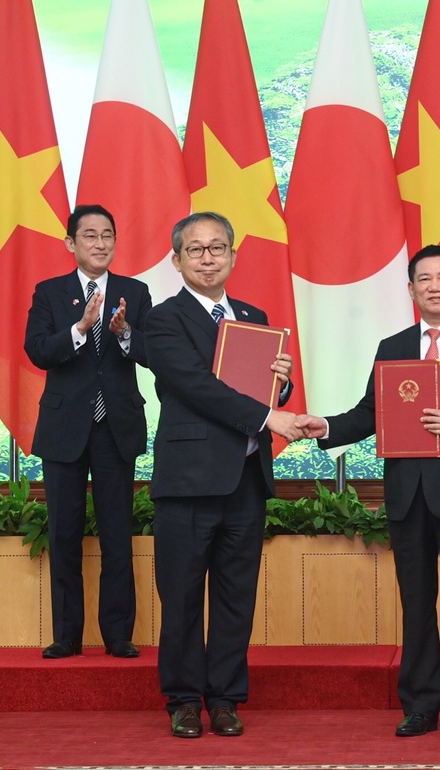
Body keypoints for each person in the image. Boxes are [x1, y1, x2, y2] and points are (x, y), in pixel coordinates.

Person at [296, 245, 440, 739]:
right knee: (416, 603)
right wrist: (327, 426)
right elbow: (368, 413)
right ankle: (420, 704)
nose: (435, 286)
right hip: (407, 496)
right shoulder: (393, 346)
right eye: (424, 279)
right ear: (410, 290)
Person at [144, 211, 301, 740]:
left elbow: (260, 388)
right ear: (177, 260)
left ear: (233, 255)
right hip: (188, 481)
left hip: (246, 479)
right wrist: (268, 415)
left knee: (237, 596)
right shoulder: (163, 320)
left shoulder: (254, 316)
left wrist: (280, 385)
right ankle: (185, 700)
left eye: (217, 248)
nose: (208, 257)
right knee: (183, 594)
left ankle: (227, 697)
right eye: (196, 249)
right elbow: (194, 386)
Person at [24, 203, 152, 661]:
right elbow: (37, 350)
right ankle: (67, 635)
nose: (100, 244)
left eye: (107, 236)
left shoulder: (134, 292)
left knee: (118, 531)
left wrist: (122, 333)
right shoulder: (50, 292)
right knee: (63, 532)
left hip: (115, 426)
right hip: (64, 427)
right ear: (71, 244)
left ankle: (118, 634)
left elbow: (151, 350)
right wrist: (80, 328)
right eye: (90, 236)